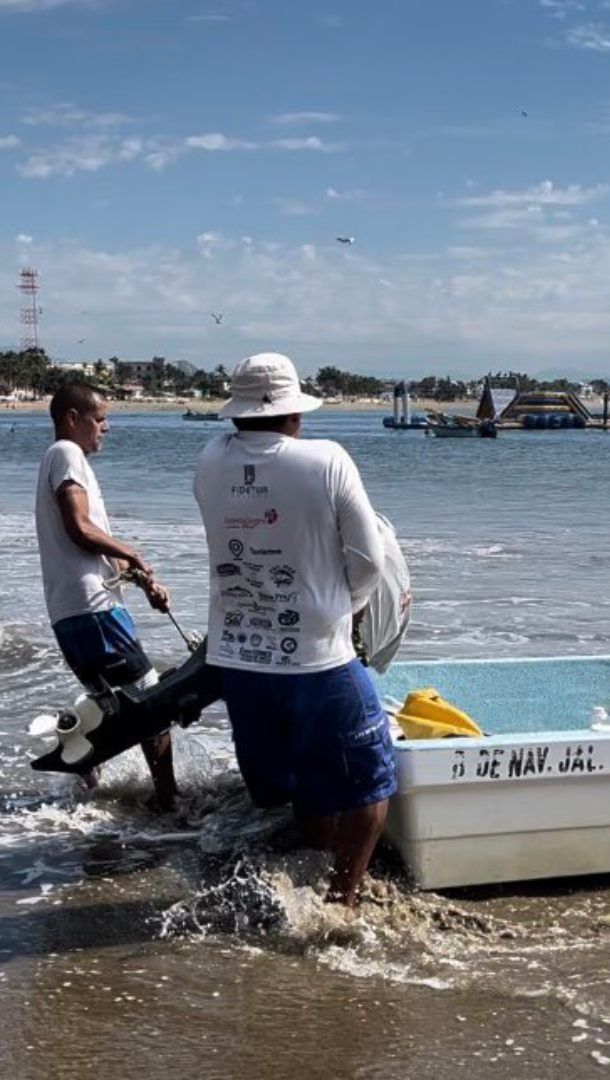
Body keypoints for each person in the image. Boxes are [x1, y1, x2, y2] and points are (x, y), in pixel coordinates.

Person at [193, 352, 394, 905]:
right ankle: (340, 901)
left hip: (237, 660)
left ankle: (311, 869)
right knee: (371, 781)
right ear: (294, 413)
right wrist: (344, 606)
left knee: (304, 779)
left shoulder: (209, 460)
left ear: (236, 412)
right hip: (316, 658)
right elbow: (370, 560)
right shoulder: (327, 460)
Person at [35, 381, 180, 812]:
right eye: (99, 419)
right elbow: (79, 530)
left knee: (112, 709)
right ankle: (169, 802)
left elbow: (97, 548)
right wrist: (133, 550)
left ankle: (85, 784)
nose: (106, 428)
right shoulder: (66, 455)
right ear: (71, 420)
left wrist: (142, 578)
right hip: (94, 609)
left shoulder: (60, 460)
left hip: (68, 611)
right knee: (150, 703)